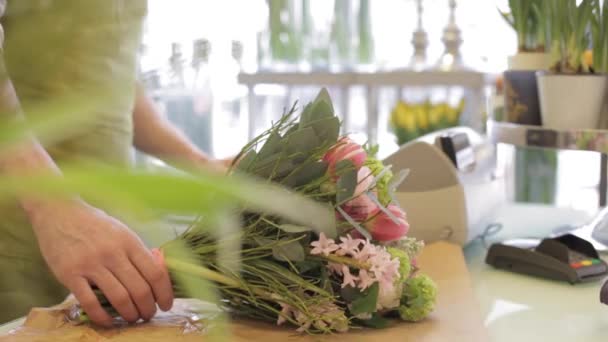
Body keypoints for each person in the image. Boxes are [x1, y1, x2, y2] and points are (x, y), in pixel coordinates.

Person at [0, 1, 227, 326]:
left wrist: (199, 163)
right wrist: (52, 207)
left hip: (104, 231)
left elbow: (109, 75)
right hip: (19, 231)